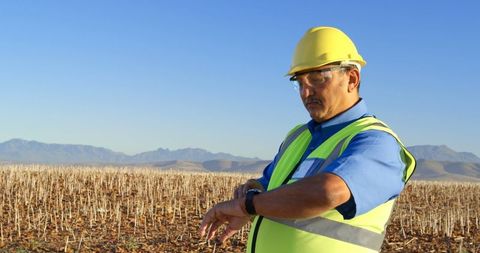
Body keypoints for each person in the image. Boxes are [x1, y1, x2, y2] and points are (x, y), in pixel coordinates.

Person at [199, 26, 416, 253]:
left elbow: (328, 192)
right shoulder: (298, 136)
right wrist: (250, 192)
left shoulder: (376, 142)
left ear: (352, 78)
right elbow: (269, 187)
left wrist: (248, 206)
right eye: (300, 82)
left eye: (317, 78)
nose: (305, 92)